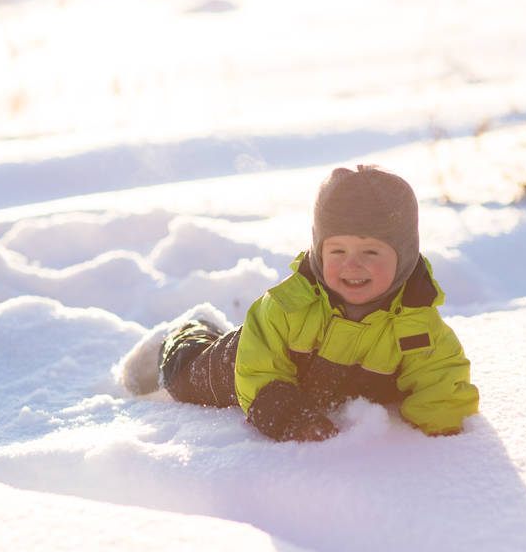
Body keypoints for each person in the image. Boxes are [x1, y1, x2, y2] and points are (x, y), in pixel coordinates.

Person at [122, 165, 479, 442]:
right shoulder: (289, 306)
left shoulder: (416, 323)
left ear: (404, 258)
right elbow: (258, 369)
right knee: (188, 380)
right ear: (319, 251)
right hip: (249, 365)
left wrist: (443, 424)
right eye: (337, 251)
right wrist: (289, 416)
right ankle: (182, 338)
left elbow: (441, 376)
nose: (353, 265)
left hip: (342, 385)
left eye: (371, 252)